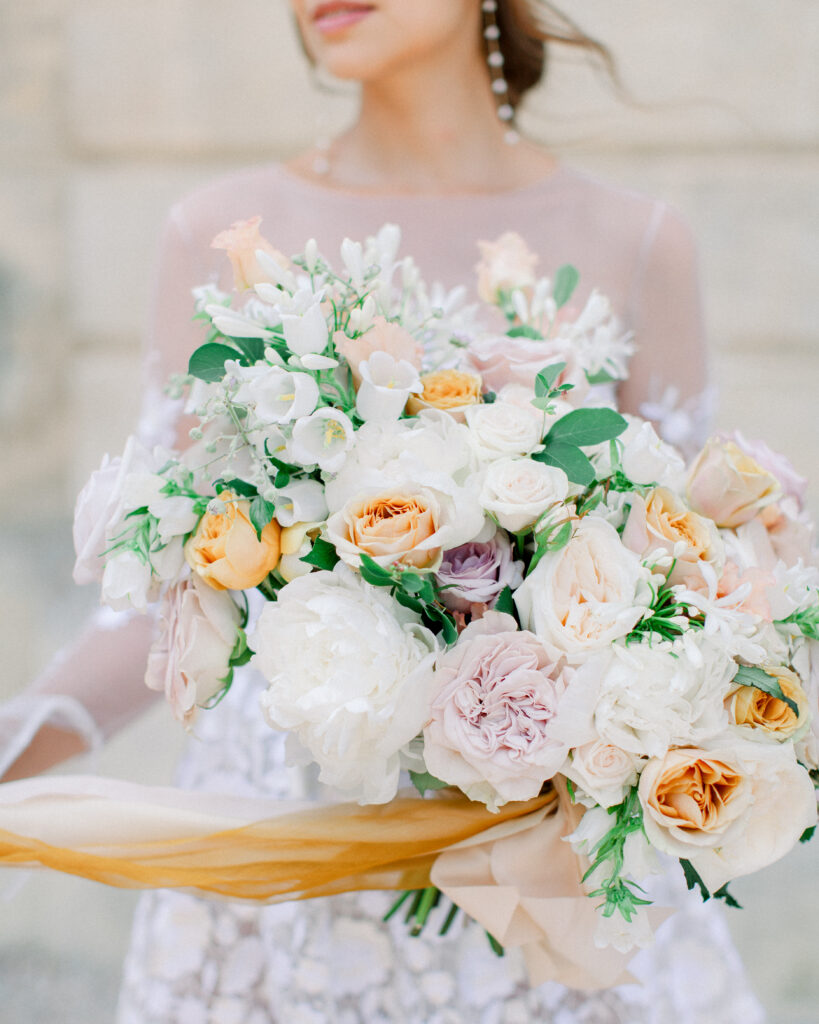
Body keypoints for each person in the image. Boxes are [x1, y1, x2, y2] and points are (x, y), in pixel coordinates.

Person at [1, 1, 766, 1021]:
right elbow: (161, 602)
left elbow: (698, 578)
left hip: (535, 878)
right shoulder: (223, 241)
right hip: (284, 864)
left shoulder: (636, 244)